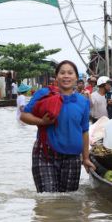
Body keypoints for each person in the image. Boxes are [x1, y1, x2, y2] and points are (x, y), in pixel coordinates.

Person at [20, 60, 94, 192]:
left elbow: (84, 131)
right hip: (46, 154)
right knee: (48, 198)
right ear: (56, 76)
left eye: (70, 73)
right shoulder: (44, 94)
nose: (66, 76)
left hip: (72, 157)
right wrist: (42, 122)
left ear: (76, 77)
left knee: (68, 201)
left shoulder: (83, 101)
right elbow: (24, 116)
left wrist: (86, 158)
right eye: (62, 73)